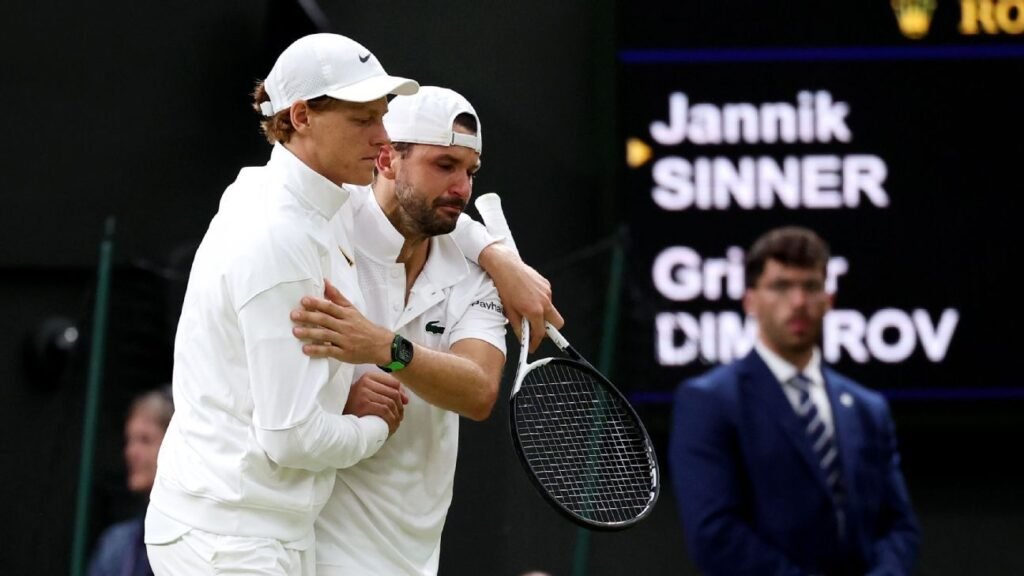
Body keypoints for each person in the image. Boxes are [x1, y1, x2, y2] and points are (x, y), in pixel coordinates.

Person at [144, 33, 418, 575]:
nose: (383, 137)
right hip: (227, 541)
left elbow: (425, 209)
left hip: (256, 529)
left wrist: (498, 258)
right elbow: (290, 437)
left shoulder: (307, 192)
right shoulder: (277, 233)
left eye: (383, 116)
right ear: (301, 117)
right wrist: (373, 425)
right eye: (363, 119)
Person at [288, 86, 509, 575]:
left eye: (470, 172)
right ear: (386, 159)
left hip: (414, 551)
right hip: (312, 537)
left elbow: (478, 391)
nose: (462, 188)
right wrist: (338, 399)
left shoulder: (476, 268)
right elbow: (270, 386)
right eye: (444, 166)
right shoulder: (322, 234)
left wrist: (384, 348)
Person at [669, 226, 920, 576]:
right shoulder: (709, 401)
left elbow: (899, 526)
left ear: (829, 300)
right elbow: (716, 535)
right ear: (750, 300)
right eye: (781, 286)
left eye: (811, 286)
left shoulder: (868, 408)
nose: (799, 301)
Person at [88, 387, 174, 576]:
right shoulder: (116, 545)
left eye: (145, 440)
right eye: (130, 440)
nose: (130, 452)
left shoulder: (201, 538)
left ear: (174, 445)